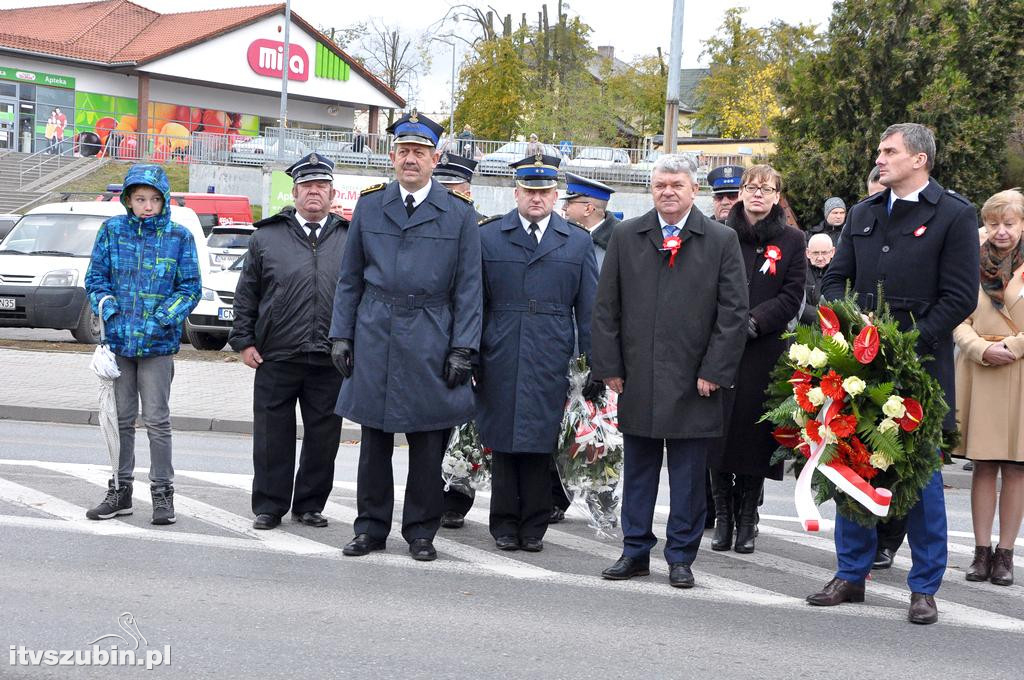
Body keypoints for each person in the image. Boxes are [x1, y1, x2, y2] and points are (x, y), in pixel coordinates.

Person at [815, 122, 980, 624]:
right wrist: (851, 325)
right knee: (854, 468)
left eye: (889, 152)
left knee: (922, 477)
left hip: (920, 367)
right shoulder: (864, 213)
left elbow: (958, 297)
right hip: (859, 364)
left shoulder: (953, 214)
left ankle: (925, 586)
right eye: (879, 150)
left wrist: (902, 345)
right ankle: (851, 573)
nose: (880, 159)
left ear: (919, 159)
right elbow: (835, 279)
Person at [331, 111, 482, 562]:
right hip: (376, 330)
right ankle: (370, 529)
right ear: (392, 155)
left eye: (419, 152)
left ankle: (421, 531)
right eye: (403, 151)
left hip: (432, 333)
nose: (410, 159)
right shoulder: (371, 205)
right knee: (374, 439)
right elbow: (350, 277)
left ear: (435, 158)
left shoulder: (458, 214)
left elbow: (470, 288)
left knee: (427, 440)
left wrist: (463, 348)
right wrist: (342, 335)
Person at [592, 154, 748, 588]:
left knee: (687, 480)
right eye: (660, 184)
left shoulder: (720, 239)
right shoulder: (627, 236)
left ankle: (681, 557)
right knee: (638, 471)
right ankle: (635, 550)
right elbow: (606, 308)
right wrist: (609, 367)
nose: (668, 191)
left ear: (693, 189)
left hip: (696, 381)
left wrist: (714, 370)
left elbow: (733, 312)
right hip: (638, 375)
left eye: (677, 184)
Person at [474, 153, 599, 552]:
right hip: (501, 347)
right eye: (529, 191)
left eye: (544, 191)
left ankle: (534, 526)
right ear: (516, 193)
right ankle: (504, 524)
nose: (537, 199)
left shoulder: (576, 241)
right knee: (504, 440)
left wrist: (592, 365)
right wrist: (471, 353)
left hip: (552, 350)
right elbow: (475, 302)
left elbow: (590, 309)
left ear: (555, 194)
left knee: (541, 441)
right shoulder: (489, 237)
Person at [229, 153, 349, 530]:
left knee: (323, 437)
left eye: (322, 187)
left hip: (330, 355)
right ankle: (269, 505)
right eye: (307, 186)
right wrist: (244, 341)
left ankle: (310, 505)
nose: (314, 192)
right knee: (271, 435)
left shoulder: (350, 237)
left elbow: (359, 294)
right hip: (276, 353)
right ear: (294, 192)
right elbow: (247, 293)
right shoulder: (267, 236)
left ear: (332, 193)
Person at [84, 164, 201, 525]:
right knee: (120, 421)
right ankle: (119, 492)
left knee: (157, 420)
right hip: (119, 343)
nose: (147, 205)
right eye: (140, 199)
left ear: (164, 200)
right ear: (129, 200)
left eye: (153, 199)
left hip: (159, 346)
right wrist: (109, 308)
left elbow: (190, 288)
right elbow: (95, 279)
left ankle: (163, 494)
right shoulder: (111, 231)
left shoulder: (178, 236)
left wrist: (161, 319)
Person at [708, 165, 806, 554]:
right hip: (720, 345)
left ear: (778, 195)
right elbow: (705, 285)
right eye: (751, 187)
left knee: (753, 434)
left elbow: (792, 292)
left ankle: (748, 516)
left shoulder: (792, 239)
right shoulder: (720, 234)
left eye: (767, 189)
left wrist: (756, 321)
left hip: (763, 348)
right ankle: (722, 515)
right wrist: (728, 323)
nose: (757, 194)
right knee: (717, 434)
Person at [953, 188, 1024, 587]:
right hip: (979, 370)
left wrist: (1010, 346)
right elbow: (956, 314)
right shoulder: (969, 263)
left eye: (1009, 223)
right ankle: (980, 553)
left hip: (1019, 372)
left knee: (1016, 468)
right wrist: (981, 348)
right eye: (994, 222)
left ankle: (1006, 554)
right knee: (983, 465)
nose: (1000, 231)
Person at [432, 150, 486, 530]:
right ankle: (431, 493)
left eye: (456, 189)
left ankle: (457, 499)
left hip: (470, 340)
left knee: (466, 429)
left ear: (467, 190)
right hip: (433, 338)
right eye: (444, 188)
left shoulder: (482, 228)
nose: (449, 195)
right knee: (433, 426)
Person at [562, 172, 619, 271]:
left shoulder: (619, 242)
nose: (563, 208)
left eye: (568, 203)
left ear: (588, 209)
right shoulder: (564, 235)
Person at [799, 233, 835, 326]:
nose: (820, 258)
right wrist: (822, 318)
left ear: (832, 252)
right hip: (805, 329)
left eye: (824, 253)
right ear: (808, 253)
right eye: (815, 253)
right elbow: (796, 302)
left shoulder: (840, 273)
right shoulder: (799, 272)